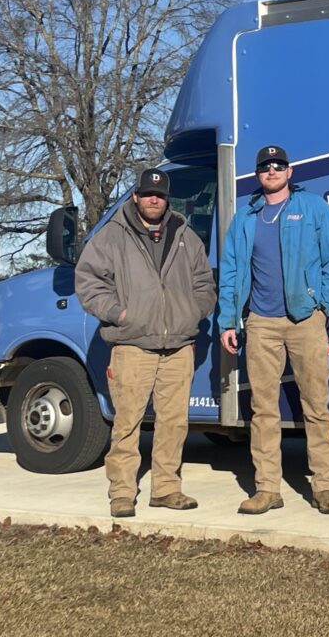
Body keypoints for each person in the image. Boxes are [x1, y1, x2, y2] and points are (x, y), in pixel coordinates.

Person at [75, 168, 216, 518]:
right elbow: (89, 282)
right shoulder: (111, 236)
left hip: (178, 346)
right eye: (148, 193)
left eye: (161, 195)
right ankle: (122, 492)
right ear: (135, 196)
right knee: (127, 423)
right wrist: (119, 314)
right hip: (132, 345)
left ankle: (167, 488)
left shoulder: (185, 235)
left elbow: (204, 283)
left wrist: (193, 313)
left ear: (168, 199)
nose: (154, 199)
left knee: (174, 422)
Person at [218, 145, 329, 515]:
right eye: (265, 167)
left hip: (305, 320)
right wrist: (229, 320)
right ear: (257, 175)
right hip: (260, 322)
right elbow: (230, 272)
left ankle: (324, 488)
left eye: (278, 165)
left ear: (289, 171)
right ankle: (267, 489)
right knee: (262, 410)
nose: (271, 171)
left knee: (316, 407)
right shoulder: (245, 218)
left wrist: (323, 304)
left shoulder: (313, 208)